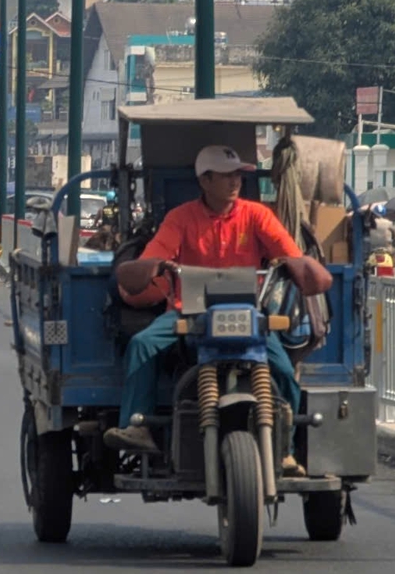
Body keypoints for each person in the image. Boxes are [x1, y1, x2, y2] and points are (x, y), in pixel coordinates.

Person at [108, 145, 335, 473]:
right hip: (189, 314)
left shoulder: (257, 215)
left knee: (284, 371)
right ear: (205, 180)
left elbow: (290, 254)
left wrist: (302, 268)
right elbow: (148, 261)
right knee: (142, 344)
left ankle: (284, 449)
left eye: (237, 175)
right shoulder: (181, 218)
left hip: (248, 315)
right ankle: (138, 425)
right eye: (226, 176)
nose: (235, 182)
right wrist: (154, 267)